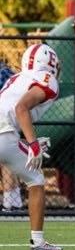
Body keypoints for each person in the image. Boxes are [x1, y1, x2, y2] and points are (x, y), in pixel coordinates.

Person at [0, 43, 63, 250]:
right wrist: (33, 145)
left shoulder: (16, 79)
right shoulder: (47, 80)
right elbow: (20, 109)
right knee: (36, 178)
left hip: (5, 132)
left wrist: (29, 143)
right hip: (2, 133)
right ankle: (38, 243)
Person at [0, 61, 24, 212]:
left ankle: (11, 203)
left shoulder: (4, 74)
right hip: (12, 118)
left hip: (5, 118)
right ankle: (14, 202)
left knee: (5, 160)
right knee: (8, 159)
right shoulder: (8, 72)